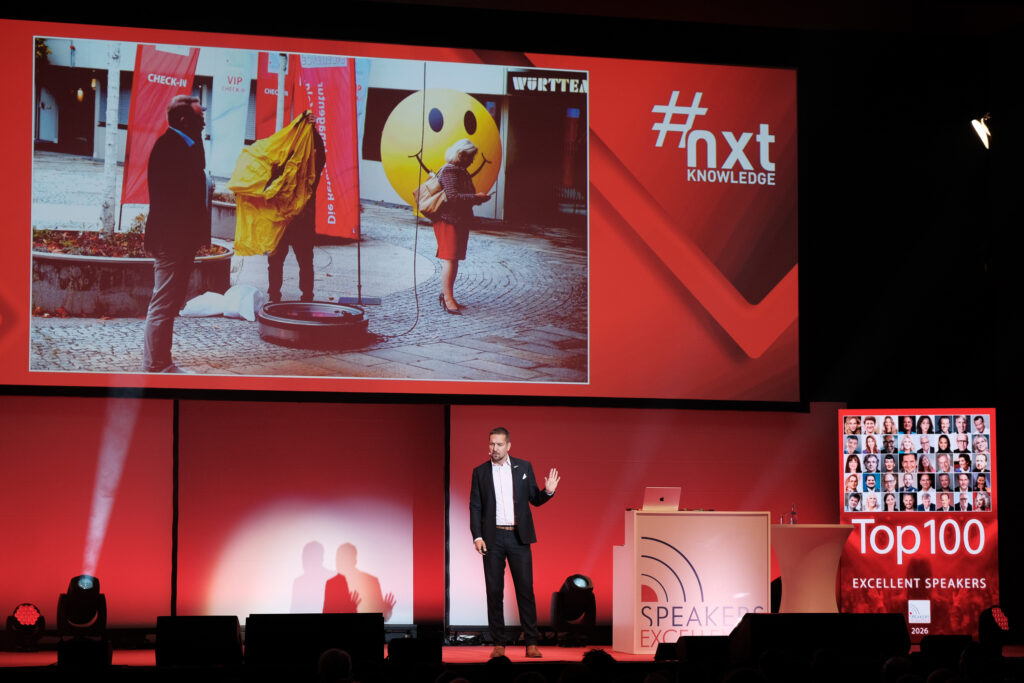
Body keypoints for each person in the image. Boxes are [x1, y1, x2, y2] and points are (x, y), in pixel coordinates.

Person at [470, 427, 559, 659]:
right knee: (494, 591)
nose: (494, 449)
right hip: (493, 538)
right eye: (491, 444)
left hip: (519, 538)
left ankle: (531, 642)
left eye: (499, 444)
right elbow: (475, 506)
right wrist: (477, 536)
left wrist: (547, 492)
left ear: (508, 446)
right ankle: (498, 642)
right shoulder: (480, 472)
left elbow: (534, 499)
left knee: (525, 591)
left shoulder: (523, 467)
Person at [142, 94, 209, 373]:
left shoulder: (185, 144)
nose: (204, 122)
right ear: (183, 120)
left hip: (181, 240)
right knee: (163, 302)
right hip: (172, 240)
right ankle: (156, 363)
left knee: (170, 303)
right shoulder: (170, 147)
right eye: (198, 118)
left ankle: (161, 361)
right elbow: (175, 200)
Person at [268, 113, 326, 303]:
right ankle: (277, 294)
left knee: (302, 261)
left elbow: (321, 156)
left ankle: (304, 296)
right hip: (287, 220)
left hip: (296, 220)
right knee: (280, 260)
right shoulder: (283, 165)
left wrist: (312, 131)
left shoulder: (310, 172)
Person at [433, 139, 493, 314]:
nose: (473, 160)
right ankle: (447, 298)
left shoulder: (461, 171)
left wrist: (477, 199)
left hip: (458, 220)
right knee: (450, 258)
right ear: (461, 155)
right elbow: (453, 197)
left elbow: (462, 197)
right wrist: (476, 198)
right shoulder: (450, 171)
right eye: (471, 157)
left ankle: (447, 294)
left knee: (454, 258)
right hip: (448, 220)